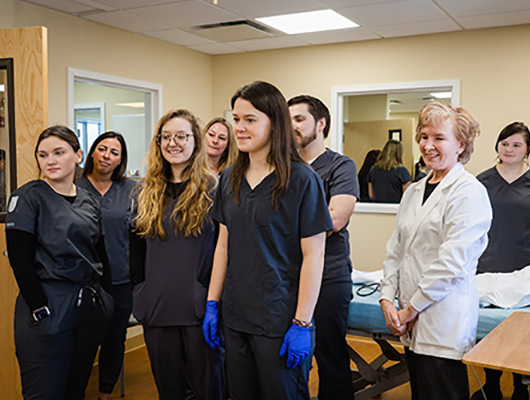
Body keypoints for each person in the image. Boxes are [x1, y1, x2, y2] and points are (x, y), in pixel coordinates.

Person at [203, 81, 332, 400]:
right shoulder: (229, 178)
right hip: (235, 317)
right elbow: (223, 245)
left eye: (250, 119)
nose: (240, 128)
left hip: (280, 319)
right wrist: (212, 303)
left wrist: (302, 323)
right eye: (236, 119)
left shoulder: (302, 180)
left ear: (274, 122)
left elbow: (314, 256)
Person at [379, 101, 492, 400]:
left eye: (439, 138)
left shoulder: (469, 192)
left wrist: (409, 309)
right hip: (408, 320)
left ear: (461, 145)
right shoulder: (414, 190)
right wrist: (386, 299)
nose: (428, 145)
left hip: (441, 319)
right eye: (424, 136)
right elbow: (396, 251)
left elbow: (452, 263)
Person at [5, 125, 113, 399]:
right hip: (49, 303)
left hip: (87, 305)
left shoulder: (89, 200)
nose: (49, 161)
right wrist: (39, 307)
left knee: (75, 389)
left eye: (58, 152)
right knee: (45, 391)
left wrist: (107, 301)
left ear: (78, 155)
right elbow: (20, 260)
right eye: (42, 155)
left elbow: (99, 253)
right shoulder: (28, 196)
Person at [130, 109, 225, 399]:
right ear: (158, 143)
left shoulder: (213, 189)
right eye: (166, 137)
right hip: (157, 307)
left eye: (181, 136)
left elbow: (224, 248)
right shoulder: (144, 192)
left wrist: (213, 301)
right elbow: (135, 250)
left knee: (208, 388)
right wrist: (140, 294)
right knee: (168, 389)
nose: (173, 143)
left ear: (196, 141)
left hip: (199, 309)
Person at [473, 122, 530, 400]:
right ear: (497, 146)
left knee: (524, 331)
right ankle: (492, 384)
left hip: (527, 265)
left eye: (516, 144)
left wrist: (525, 241)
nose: (509, 149)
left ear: (527, 150)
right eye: (504, 143)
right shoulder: (481, 181)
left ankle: (522, 387)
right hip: (488, 264)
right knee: (489, 330)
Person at [289, 94, 359, 399]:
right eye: (287, 119)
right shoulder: (284, 168)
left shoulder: (340, 166)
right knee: (288, 361)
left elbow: (335, 219)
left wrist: (281, 229)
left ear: (321, 124)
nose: (292, 126)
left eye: (299, 119)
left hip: (329, 277)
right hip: (289, 276)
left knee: (331, 359)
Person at [76, 131, 136, 400]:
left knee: (114, 339)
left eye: (114, 152)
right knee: (81, 342)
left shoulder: (131, 190)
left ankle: (106, 394)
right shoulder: (74, 187)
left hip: (120, 278)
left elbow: (139, 235)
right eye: (102, 149)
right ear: (91, 152)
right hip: (81, 279)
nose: (107, 156)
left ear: (121, 160)